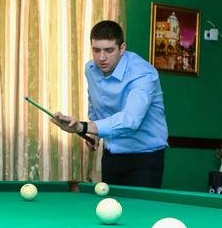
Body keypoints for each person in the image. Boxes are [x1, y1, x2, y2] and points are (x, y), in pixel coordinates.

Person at [52, 20, 168, 188]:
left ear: (122, 48)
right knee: (109, 204)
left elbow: (131, 119)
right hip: (111, 155)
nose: (101, 58)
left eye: (109, 50)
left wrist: (84, 127)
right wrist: (95, 135)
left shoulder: (143, 74)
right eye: (96, 50)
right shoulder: (91, 69)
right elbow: (95, 104)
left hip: (145, 159)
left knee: (137, 207)